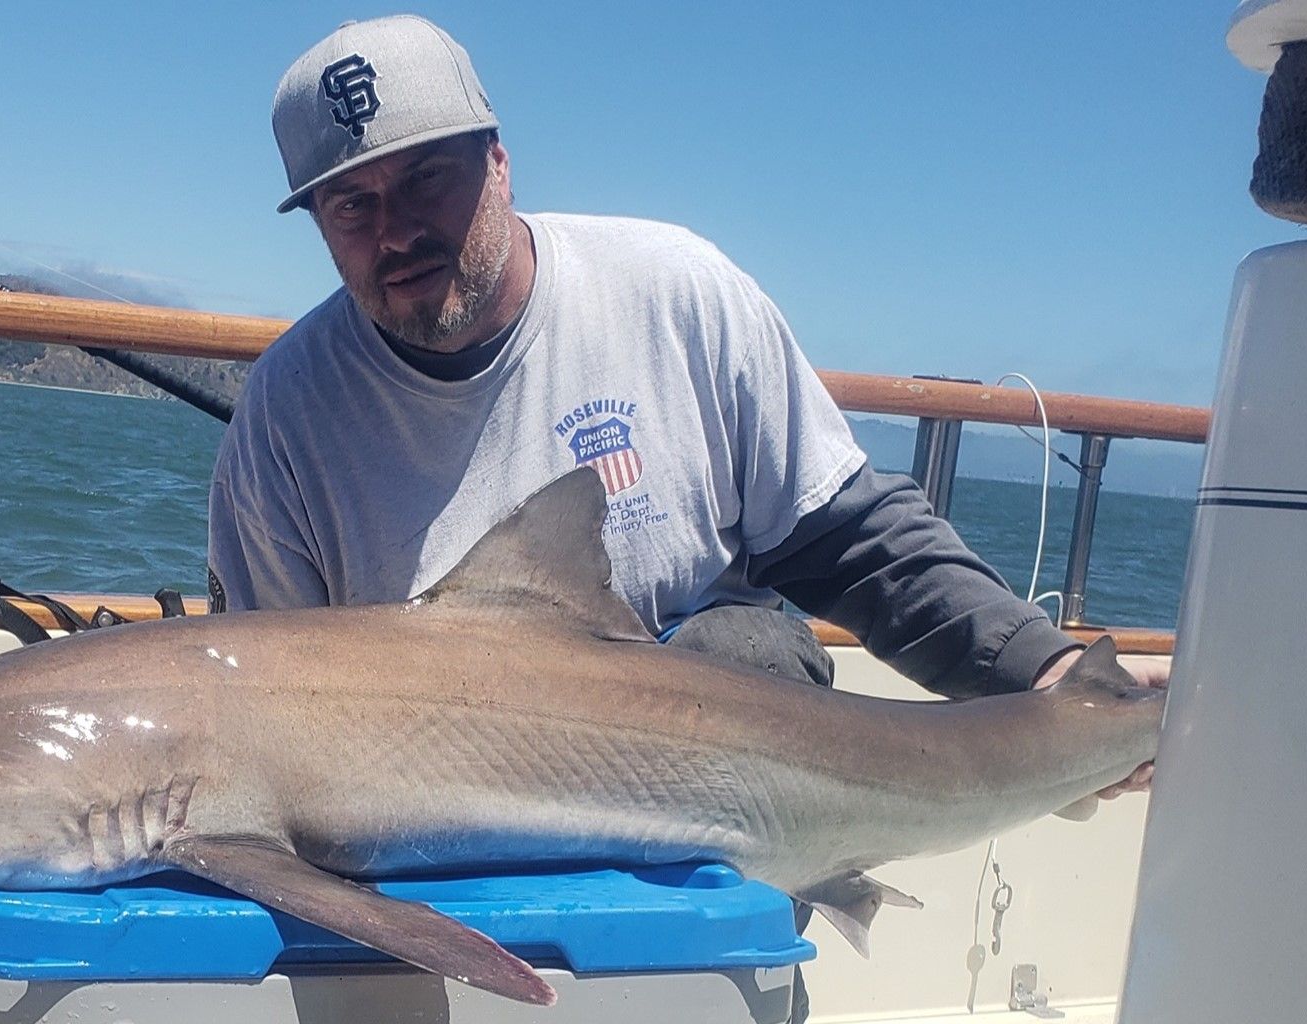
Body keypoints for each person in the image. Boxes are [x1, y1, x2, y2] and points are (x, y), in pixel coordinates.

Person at [208, 16, 1157, 1012]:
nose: (393, 231)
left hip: (717, 825)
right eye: (350, 204)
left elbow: (849, 537)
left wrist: (1039, 671)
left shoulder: (673, 297)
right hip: (433, 869)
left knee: (750, 649)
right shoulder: (284, 418)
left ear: (497, 162)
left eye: (422, 180)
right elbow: (256, 722)